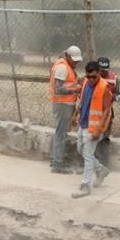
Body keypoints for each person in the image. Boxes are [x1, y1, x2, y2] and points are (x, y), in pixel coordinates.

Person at [71, 61, 112, 198]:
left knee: (87, 155)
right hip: (83, 124)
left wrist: (99, 130)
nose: (91, 79)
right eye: (89, 77)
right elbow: (82, 101)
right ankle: (100, 170)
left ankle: (86, 185)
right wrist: (76, 114)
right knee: (80, 150)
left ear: (99, 73)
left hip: (94, 127)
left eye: (94, 76)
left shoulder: (104, 88)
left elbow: (107, 111)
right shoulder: (85, 84)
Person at [48, 45, 83, 174]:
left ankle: (55, 159)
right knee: (61, 133)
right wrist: (76, 89)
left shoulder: (66, 66)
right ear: (67, 56)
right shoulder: (62, 67)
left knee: (60, 132)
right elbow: (59, 89)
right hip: (62, 104)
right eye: (74, 59)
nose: (76, 62)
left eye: (77, 60)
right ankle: (58, 164)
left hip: (64, 104)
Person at [95, 57, 120, 168]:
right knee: (91, 137)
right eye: (101, 70)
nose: (103, 72)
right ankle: (92, 163)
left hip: (106, 113)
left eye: (105, 70)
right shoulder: (91, 77)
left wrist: (112, 97)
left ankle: (104, 164)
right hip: (92, 113)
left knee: (104, 139)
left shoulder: (113, 78)